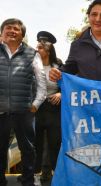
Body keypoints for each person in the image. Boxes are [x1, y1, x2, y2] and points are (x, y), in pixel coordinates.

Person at [0, 18, 46, 186]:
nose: (12, 31)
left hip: (24, 112)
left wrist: (35, 105)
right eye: (8, 28)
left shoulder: (32, 54)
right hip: (1, 112)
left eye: (16, 29)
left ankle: (27, 181)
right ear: (2, 32)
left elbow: (42, 84)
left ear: (22, 34)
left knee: (28, 150)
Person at [33, 31, 62, 186]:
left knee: (54, 143)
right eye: (37, 46)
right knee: (35, 143)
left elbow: (67, 84)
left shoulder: (58, 65)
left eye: (41, 47)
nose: (37, 49)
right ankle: (35, 175)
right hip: (35, 109)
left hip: (53, 108)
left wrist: (60, 93)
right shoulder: (30, 64)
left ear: (49, 50)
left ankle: (56, 175)